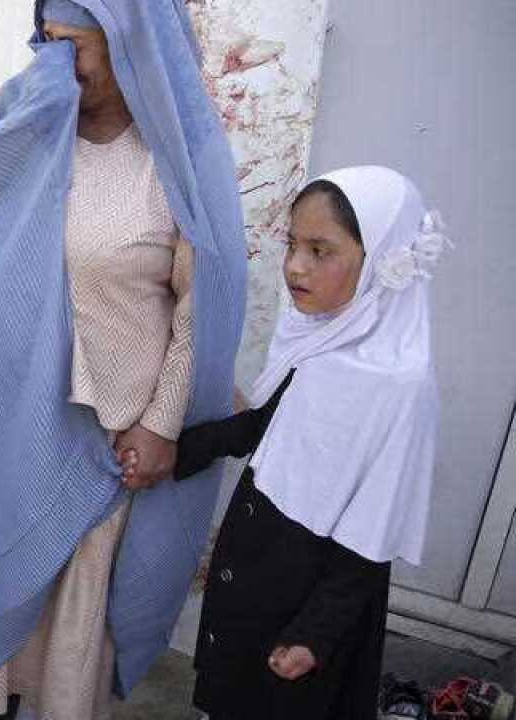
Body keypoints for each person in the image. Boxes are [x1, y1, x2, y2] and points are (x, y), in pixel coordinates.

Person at [0, 0, 246, 717]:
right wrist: (23, 123)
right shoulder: (30, 134)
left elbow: (201, 311)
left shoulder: (175, 163)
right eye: (46, 44)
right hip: (15, 426)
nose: (56, 64)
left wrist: (160, 425)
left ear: (131, 47)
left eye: (75, 48)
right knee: (2, 589)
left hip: (108, 447)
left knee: (69, 625)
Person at [174, 166, 445, 719]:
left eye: (321, 250)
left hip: (303, 600)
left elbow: (373, 530)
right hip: (254, 571)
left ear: (382, 260)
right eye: (292, 244)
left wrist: (314, 634)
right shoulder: (319, 335)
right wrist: (176, 449)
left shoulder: (398, 385)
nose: (296, 265)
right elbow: (265, 427)